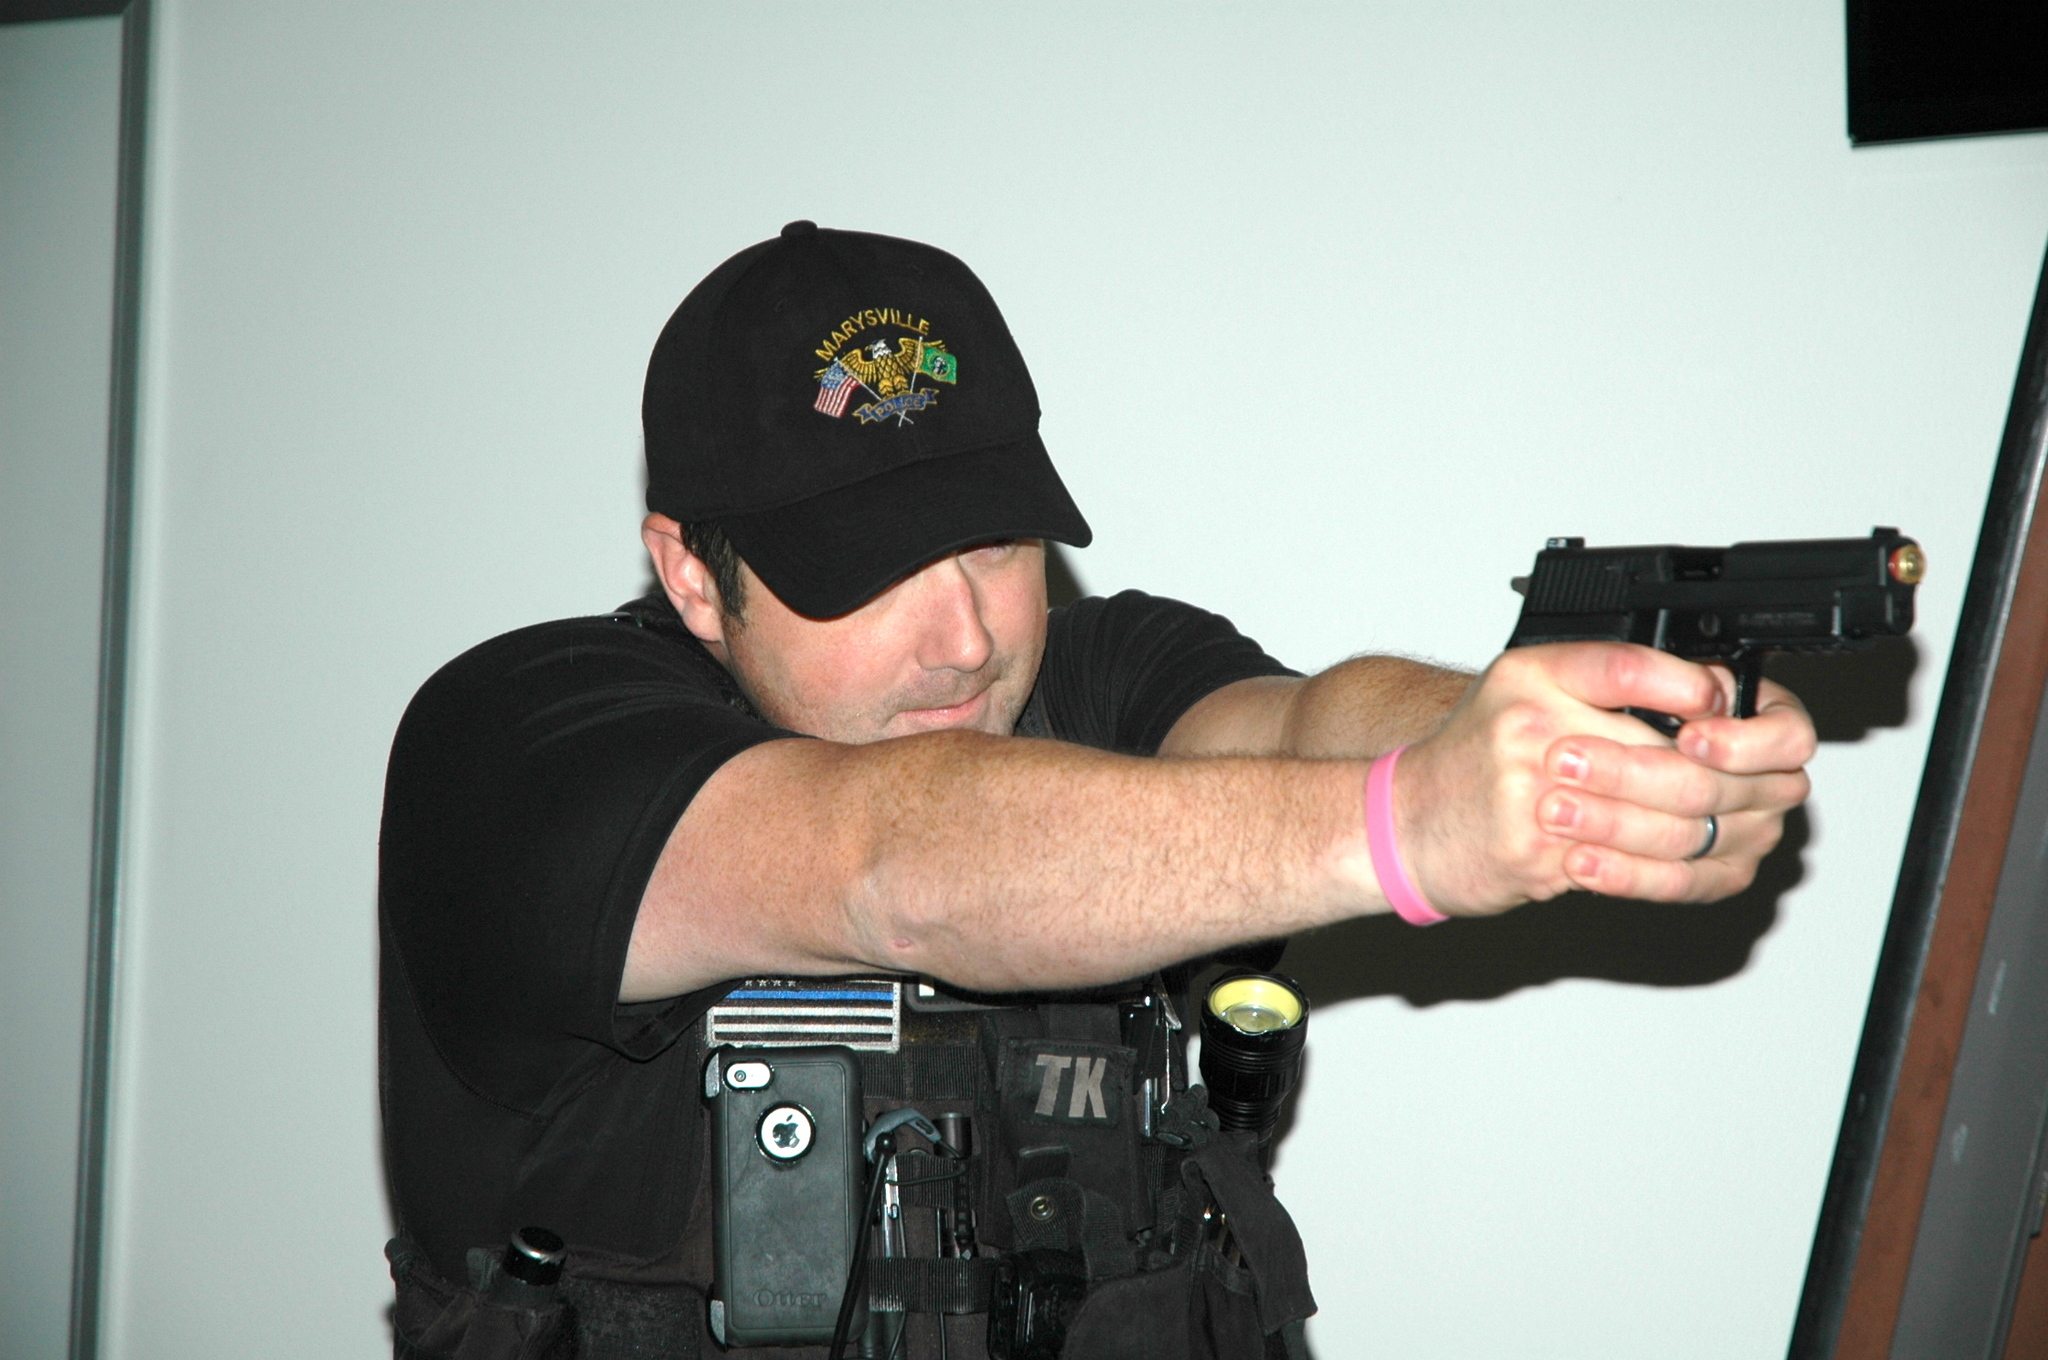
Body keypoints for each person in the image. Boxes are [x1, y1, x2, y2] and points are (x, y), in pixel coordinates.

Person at [379, 221, 1815, 1360]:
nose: (965, 638)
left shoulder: (1096, 667)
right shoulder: (522, 747)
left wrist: (1578, 743)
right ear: (696, 575)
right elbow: (892, 861)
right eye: (870, 571)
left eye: (993, 544)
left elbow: (1310, 724)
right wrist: (1412, 828)